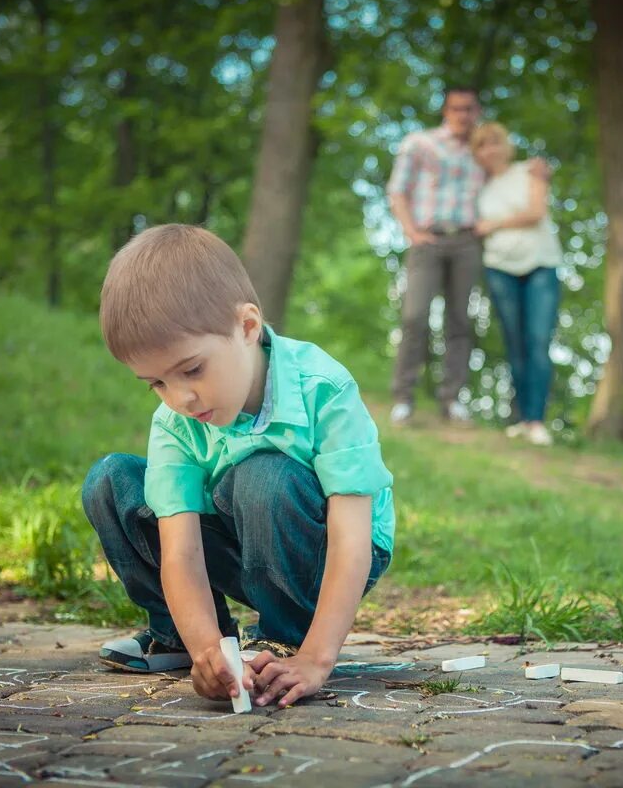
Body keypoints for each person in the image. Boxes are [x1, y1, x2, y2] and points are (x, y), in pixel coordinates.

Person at [82, 224, 395, 710]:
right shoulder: (176, 421)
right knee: (111, 480)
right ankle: (180, 640)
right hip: (240, 537)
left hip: (329, 546)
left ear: (247, 327)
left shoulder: (323, 389)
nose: (180, 398)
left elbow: (352, 538)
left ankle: (283, 639)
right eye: (156, 383)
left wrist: (316, 657)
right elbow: (181, 551)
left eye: (191, 370)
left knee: (263, 475)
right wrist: (211, 650)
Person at [385, 86, 486, 427]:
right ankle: (403, 398)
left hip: (467, 243)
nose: (462, 115)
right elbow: (398, 190)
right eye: (456, 108)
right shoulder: (420, 143)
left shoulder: (483, 151)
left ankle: (452, 399)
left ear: (477, 112)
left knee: (459, 321)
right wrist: (412, 231)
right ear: (446, 111)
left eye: (469, 109)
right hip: (427, 240)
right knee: (415, 317)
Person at [471, 122, 563, 446]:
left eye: (495, 142)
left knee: (538, 341)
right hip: (499, 268)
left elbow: (536, 212)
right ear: (477, 154)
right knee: (515, 345)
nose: (490, 149)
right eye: (482, 145)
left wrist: (493, 224)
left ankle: (537, 420)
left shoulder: (530, 171)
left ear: (506, 146)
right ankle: (523, 419)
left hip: (540, 264)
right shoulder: (480, 190)